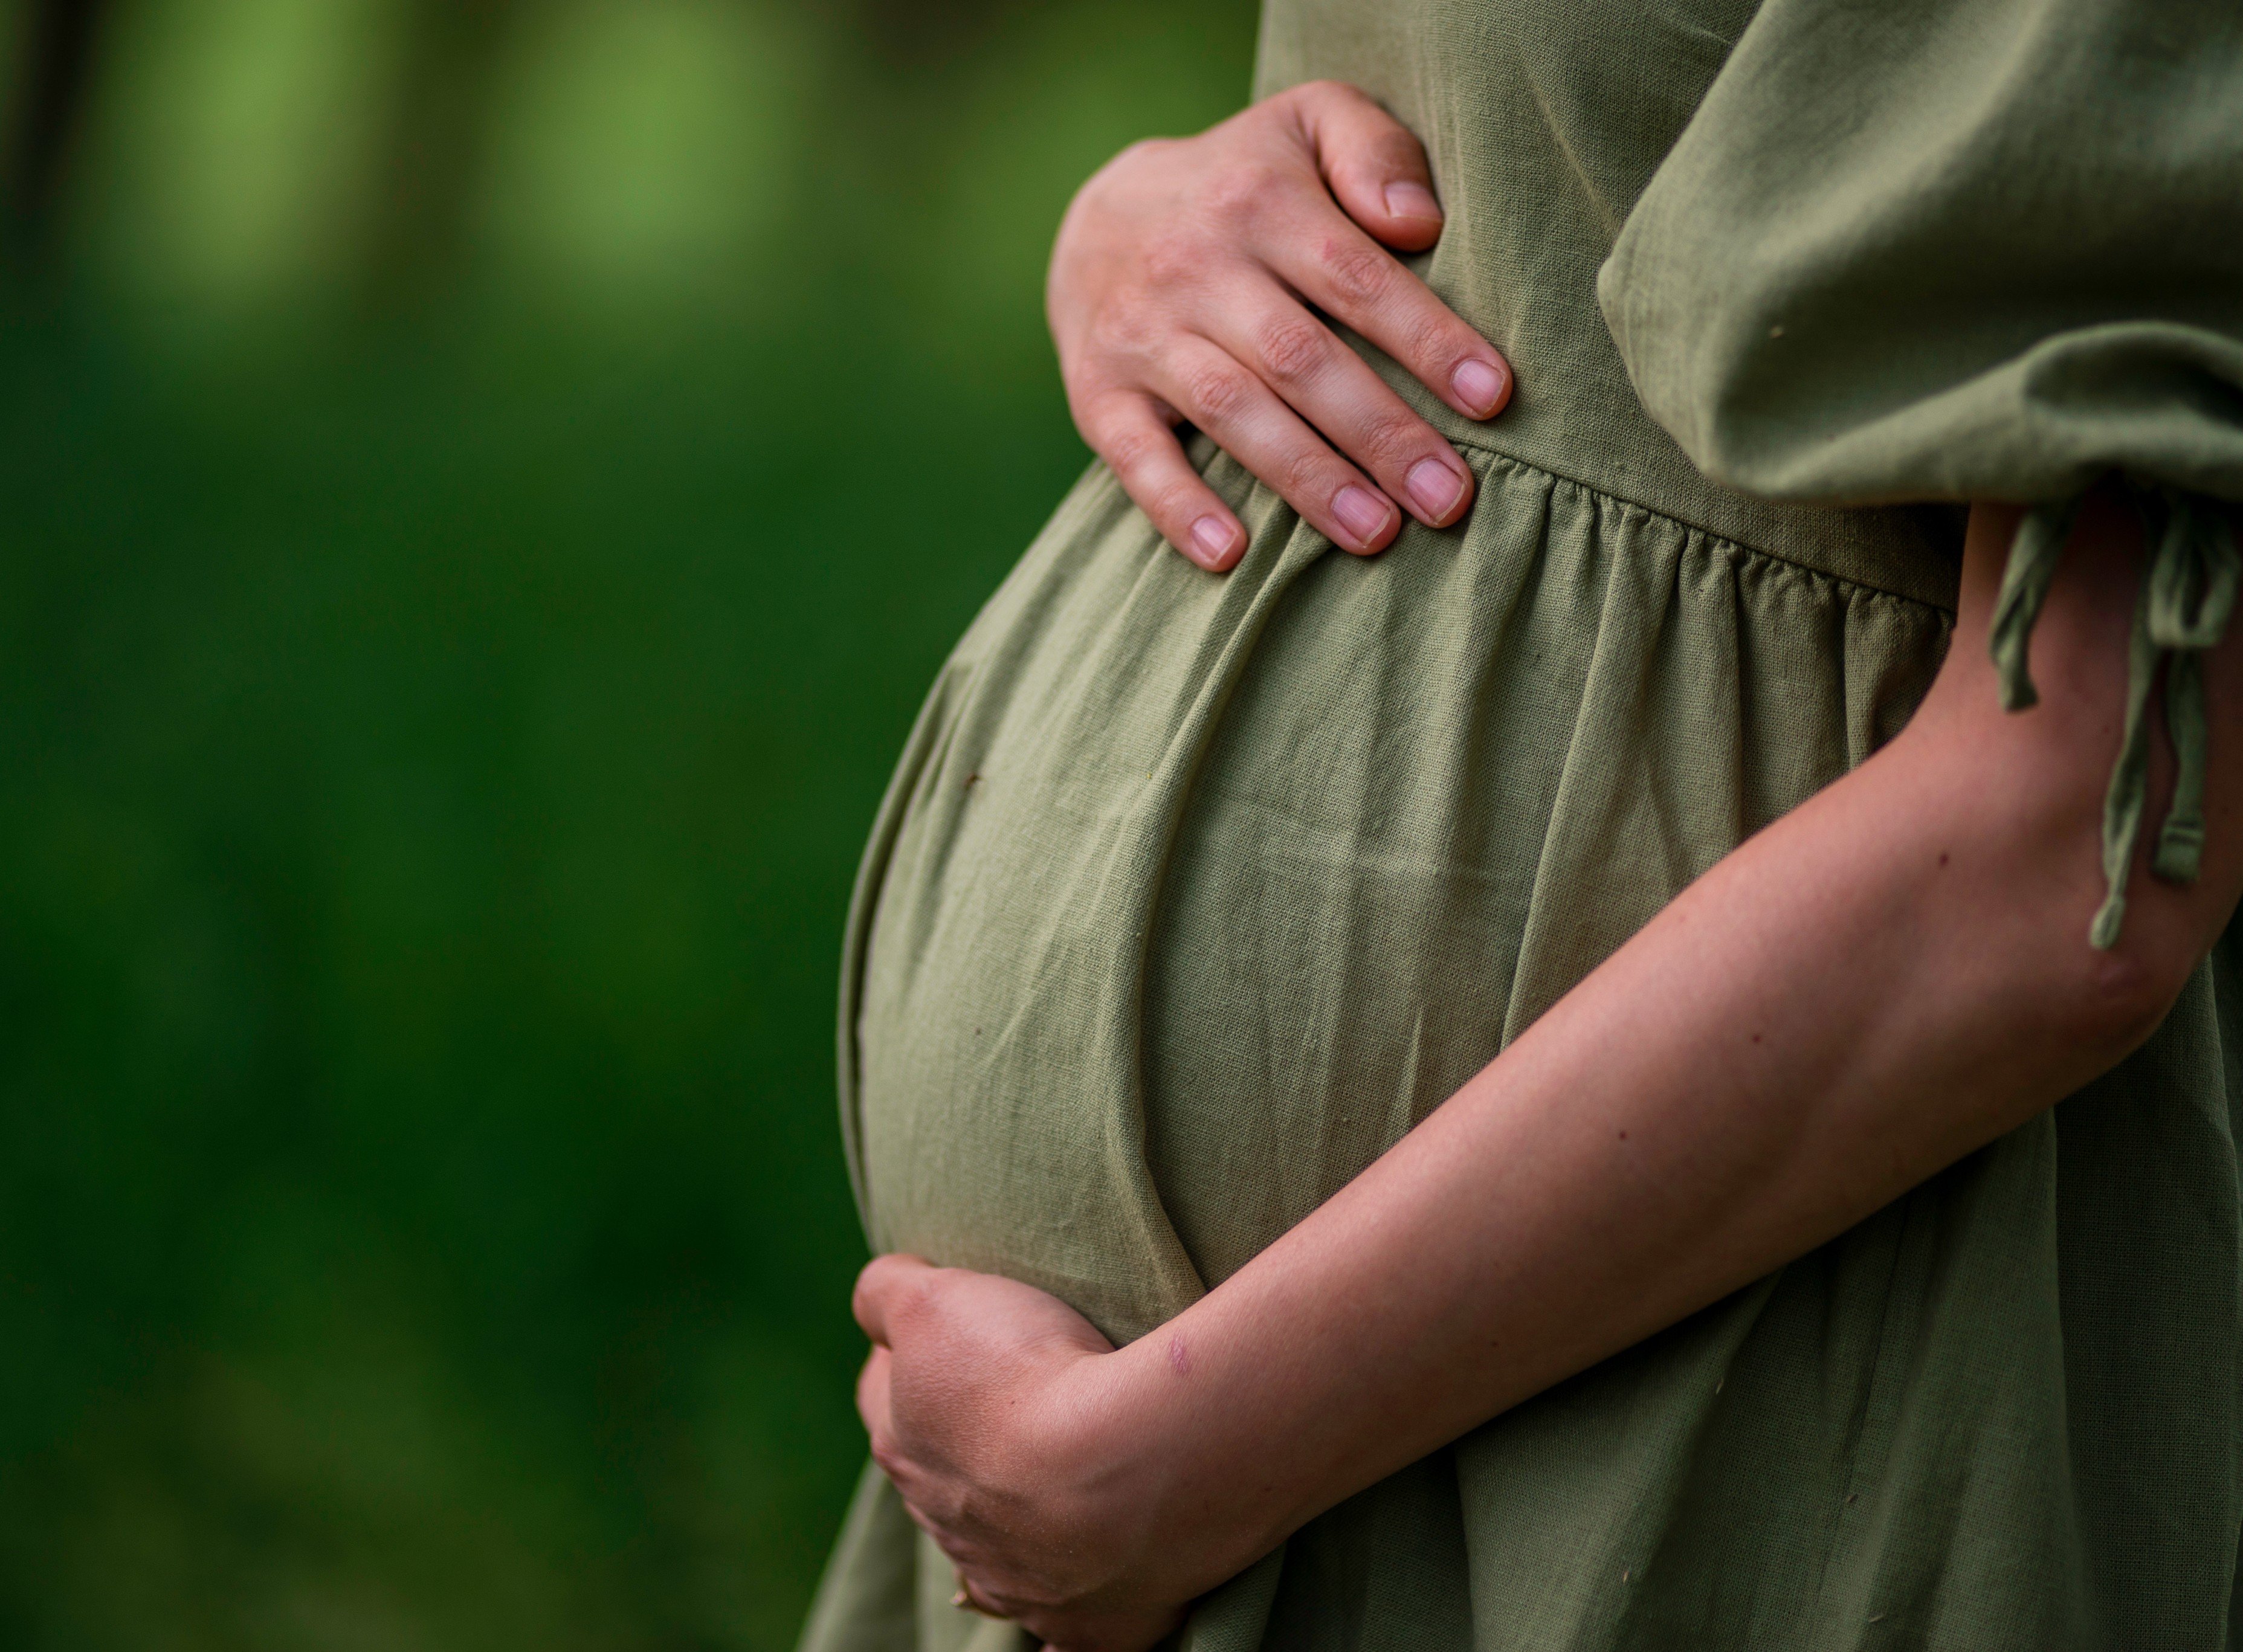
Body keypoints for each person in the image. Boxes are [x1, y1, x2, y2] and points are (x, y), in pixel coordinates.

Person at [800, 1, 2243, 1647]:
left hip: (1711, 1404)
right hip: (1163, 1482)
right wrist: (1137, 223)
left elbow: (2081, 838)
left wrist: (1172, 1460)